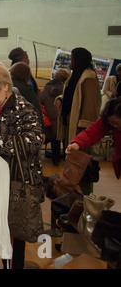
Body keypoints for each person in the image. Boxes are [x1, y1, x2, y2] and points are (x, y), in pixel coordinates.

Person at [0, 62, 44, 269]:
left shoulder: (22, 108)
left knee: (12, 238)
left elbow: (34, 140)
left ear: (5, 86)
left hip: (15, 185)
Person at [55, 47, 100, 194]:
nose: (69, 61)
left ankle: (84, 196)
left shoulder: (89, 77)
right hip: (70, 124)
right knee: (73, 164)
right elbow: (72, 96)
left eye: (72, 58)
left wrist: (84, 129)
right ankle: (73, 193)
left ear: (79, 60)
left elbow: (90, 105)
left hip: (81, 129)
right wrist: (60, 99)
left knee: (82, 164)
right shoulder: (75, 76)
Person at [66, 97, 121, 180]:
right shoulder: (107, 120)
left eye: (117, 123)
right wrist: (76, 144)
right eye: (111, 123)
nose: (114, 126)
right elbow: (93, 131)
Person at [39, 68, 70, 165]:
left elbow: (40, 99)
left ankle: (55, 160)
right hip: (62, 116)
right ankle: (66, 158)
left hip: (50, 117)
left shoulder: (47, 87)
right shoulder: (66, 88)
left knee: (54, 139)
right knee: (65, 139)